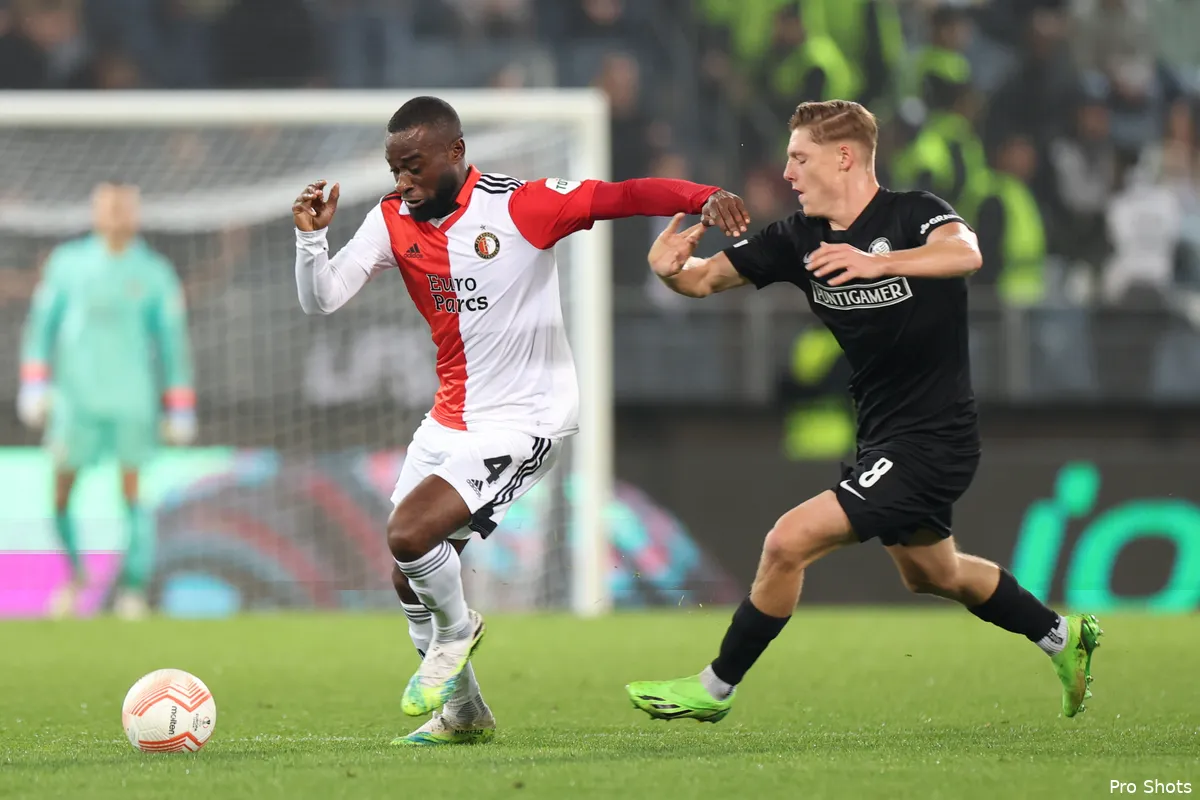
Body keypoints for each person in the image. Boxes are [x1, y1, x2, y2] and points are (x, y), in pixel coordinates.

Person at [291, 96, 749, 746]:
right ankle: (464, 713)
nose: (403, 182)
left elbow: (623, 195)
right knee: (408, 572)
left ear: (456, 153)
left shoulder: (518, 206)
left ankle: (457, 632)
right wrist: (312, 238)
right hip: (452, 418)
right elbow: (323, 299)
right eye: (395, 168)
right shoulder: (390, 218)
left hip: (528, 419)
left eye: (414, 167)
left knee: (410, 535)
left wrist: (703, 194)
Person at [625, 100, 1102, 724]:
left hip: (936, 439)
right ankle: (1064, 640)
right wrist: (668, 270)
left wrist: (881, 261)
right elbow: (702, 280)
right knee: (936, 574)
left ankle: (715, 687)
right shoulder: (796, 238)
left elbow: (968, 254)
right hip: (881, 435)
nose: (788, 172)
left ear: (843, 157)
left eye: (800, 157)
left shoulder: (914, 213)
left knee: (786, 541)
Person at [18, 181, 197, 621]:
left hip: (131, 397)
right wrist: (35, 383)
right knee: (60, 492)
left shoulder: (154, 272)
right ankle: (76, 575)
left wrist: (180, 403)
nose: (116, 213)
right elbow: (41, 328)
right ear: (95, 210)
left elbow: (173, 343)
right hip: (75, 400)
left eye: (124, 206)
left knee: (133, 492)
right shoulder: (67, 264)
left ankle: (132, 589)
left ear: (135, 213)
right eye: (108, 205)